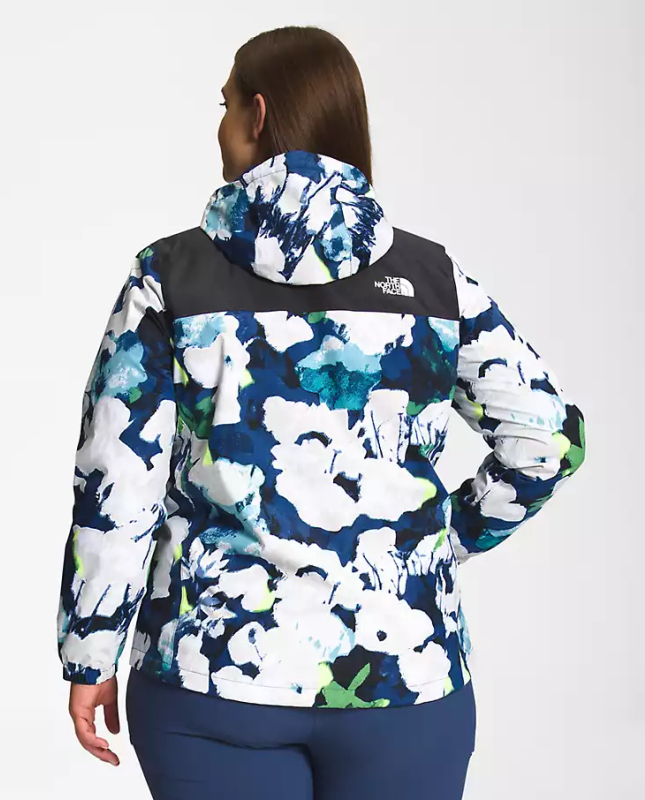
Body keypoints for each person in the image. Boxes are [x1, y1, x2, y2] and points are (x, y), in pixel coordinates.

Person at [56, 24, 586, 800]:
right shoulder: (434, 281)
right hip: (404, 681)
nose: (219, 125)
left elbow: (117, 481)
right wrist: (442, 541)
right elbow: (544, 442)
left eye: (224, 105)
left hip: (210, 680)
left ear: (257, 115)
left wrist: (90, 649)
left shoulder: (167, 278)